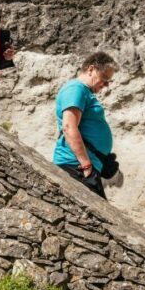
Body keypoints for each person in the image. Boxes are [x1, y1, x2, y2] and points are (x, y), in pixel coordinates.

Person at [52, 52, 119, 199]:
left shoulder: (83, 92)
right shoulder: (76, 89)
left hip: (82, 167)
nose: (106, 85)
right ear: (91, 69)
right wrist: (86, 165)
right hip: (76, 166)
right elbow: (69, 127)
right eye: (105, 78)